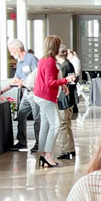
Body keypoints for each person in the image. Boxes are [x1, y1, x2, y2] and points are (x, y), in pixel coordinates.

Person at [33, 35, 77, 169]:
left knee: (45, 126)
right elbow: (50, 82)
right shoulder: (50, 62)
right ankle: (48, 155)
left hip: (40, 95)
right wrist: (66, 81)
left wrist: (61, 85)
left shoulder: (43, 60)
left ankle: (42, 153)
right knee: (56, 124)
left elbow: (48, 79)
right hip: (46, 97)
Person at [7, 39, 41, 152]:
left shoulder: (30, 59)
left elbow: (37, 75)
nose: (10, 53)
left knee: (37, 118)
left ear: (18, 49)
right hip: (26, 93)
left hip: (34, 92)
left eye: (11, 50)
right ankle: (22, 141)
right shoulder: (19, 62)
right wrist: (3, 90)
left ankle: (39, 143)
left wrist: (24, 82)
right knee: (21, 116)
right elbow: (16, 78)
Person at [53, 46, 78, 160]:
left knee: (63, 125)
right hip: (70, 99)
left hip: (64, 99)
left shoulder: (63, 67)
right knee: (67, 125)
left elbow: (60, 83)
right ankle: (70, 148)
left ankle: (66, 149)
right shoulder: (69, 64)